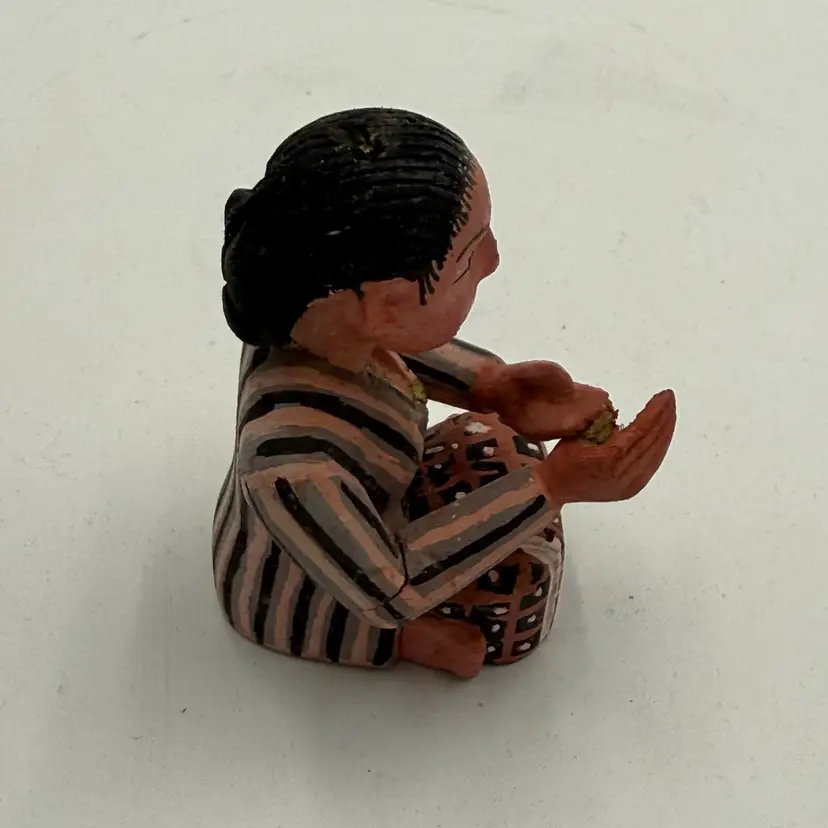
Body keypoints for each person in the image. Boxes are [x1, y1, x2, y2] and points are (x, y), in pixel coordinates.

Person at [213, 107, 676, 678]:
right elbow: (391, 587)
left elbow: (402, 350)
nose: (494, 259)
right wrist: (555, 485)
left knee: (494, 449)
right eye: (468, 256)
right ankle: (400, 643)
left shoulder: (317, 324)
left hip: (377, 499)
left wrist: (495, 386)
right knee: (508, 594)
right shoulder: (293, 465)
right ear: (388, 304)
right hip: (316, 590)